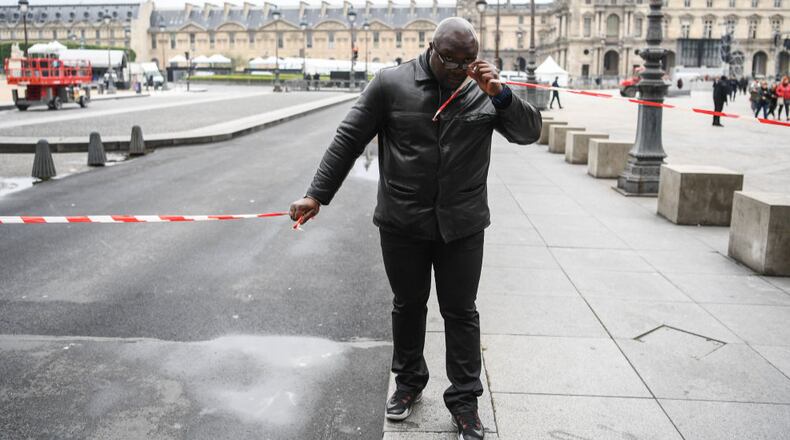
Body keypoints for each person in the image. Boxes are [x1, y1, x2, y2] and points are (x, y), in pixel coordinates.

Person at [289, 17, 541, 440]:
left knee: (461, 312)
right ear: (430, 48)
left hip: (462, 223)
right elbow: (349, 139)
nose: (461, 68)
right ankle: (408, 383)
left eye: (469, 59)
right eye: (451, 59)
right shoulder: (390, 84)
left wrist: (501, 97)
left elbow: (528, 133)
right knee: (408, 305)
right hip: (403, 221)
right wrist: (317, 195)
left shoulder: (483, 89)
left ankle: (465, 402)